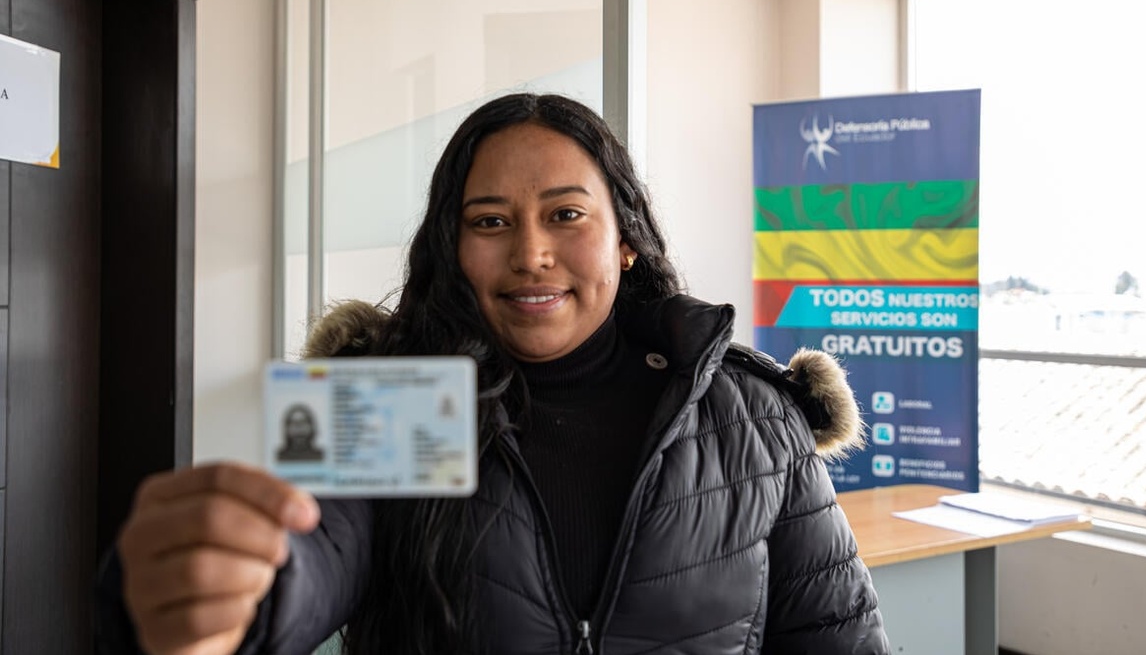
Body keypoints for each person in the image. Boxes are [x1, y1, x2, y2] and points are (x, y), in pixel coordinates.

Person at [97, 93, 890, 654]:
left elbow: (839, 637)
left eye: (566, 214)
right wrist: (224, 596)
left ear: (624, 240)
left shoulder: (751, 412)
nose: (530, 253)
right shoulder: (395, 398)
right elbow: (310, 562)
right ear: (454, 250)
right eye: (490, 221)